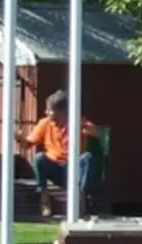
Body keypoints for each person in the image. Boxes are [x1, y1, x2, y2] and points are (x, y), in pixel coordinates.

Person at [16, 90, 100, 218]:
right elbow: (27, 145)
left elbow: (96, 133)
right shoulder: (45, 123)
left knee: (88, 158)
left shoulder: (76, 121)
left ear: (61, 112)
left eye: (50, 110)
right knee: (39, 158)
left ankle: (80, 199)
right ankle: (44, 200)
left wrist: (83, 125)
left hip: (73, 169)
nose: (46, 112)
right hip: (55, 169)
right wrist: (19, 138)